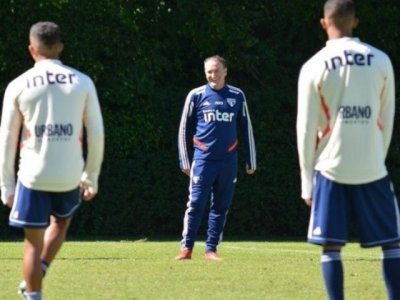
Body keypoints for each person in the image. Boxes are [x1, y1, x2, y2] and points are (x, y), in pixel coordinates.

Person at [296, 0, 400, 299]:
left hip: (330, 168)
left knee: (331, 245)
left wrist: (307, 180)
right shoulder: (381, 60)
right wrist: (376, 158)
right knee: (391, 242)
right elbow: (387, 117)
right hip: (372, 167)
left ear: (323, 23)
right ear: (355, 21)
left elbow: (305, 128)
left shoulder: (314, 66)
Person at [0, 21, 105, 300]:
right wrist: (90, 176)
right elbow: (96, 132)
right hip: (69, 174)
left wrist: (6, 186)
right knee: (61, 223)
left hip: (33, 174)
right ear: (60, 47)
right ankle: (42, 269)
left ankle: (34, 293)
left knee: (32, 245)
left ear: (32, 49)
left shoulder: (18, 84)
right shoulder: (82, 82)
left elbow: (7, 138)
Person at [176, 55, 256, 261]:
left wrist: (251, 160)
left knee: (221, 206)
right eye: (209, 71)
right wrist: (185, 160)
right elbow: (184, 128)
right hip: (202, 160)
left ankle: (211, 249)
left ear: (225, 71)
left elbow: (246, 128)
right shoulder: (196, 95)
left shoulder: (237, 96)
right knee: (195, 203)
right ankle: (187, 249)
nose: (213, 75)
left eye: (216, 71)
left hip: (228, 161)